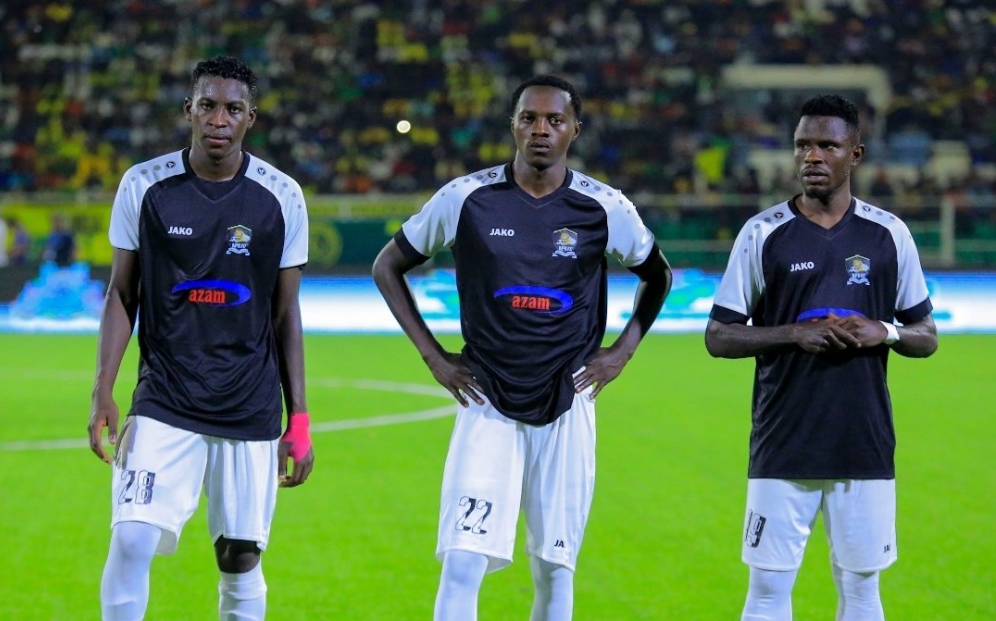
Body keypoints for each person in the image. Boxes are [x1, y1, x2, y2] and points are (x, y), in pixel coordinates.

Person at [373, 74, 672, 621]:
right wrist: (434, 357)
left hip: (569, 400)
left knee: (555, 568)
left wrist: (622, 350)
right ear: (512, 125)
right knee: (462, 564)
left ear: (574, 130)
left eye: (555, 120)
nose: (541, 129)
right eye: (529, 118)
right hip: (485, 400)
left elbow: (658, 275)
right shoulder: (466, 198)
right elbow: (388, 265)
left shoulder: (604, 206)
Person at [87, 55, 314, 621]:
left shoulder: (281, 196)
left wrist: (300, 417)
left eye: (232, 108)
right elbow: (121, 294)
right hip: (165, 396)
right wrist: (103, 389)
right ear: (188, 109)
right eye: (208, 105)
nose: (219, 118)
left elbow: (286, 315)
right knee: (132, 538)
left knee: (239, 557)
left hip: (249, 403)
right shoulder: (144, 185)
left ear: (250, 119)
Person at [704, 94, 938, 621]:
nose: (812, 156)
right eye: (802, 145)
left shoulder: (888, 235)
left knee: (860, 591)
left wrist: (887, 332)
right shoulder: (762, 233)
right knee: (766, 590)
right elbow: (719, 335)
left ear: (854, 154)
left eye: (826, 145)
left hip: (864, 442)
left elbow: (926, 334)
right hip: (783, 442)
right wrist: (793, 333)